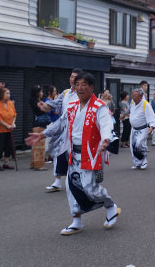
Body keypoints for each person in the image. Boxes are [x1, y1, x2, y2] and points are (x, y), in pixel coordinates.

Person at [26, 72, 119, 235]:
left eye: (84, 84)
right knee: (71, 187)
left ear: (91, 87)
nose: (80, 88)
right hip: (73, 154)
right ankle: (76, 220)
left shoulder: (99, 106)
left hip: (91, 154)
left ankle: (110, 206)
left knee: (91, 188)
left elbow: (106, 124)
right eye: (77, 84)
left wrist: (105, 138)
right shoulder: (72, 106)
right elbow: (60, 123)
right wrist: (42, 135)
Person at [38, 68, 81, 192]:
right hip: (64, 129)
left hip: (77, 130)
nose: (72, 79)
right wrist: (44, 106)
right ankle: (57, 181)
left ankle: (78, 181)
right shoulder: (66, 92)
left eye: (75, 77)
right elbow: (54, 104)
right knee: (59, 154)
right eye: (71, 76)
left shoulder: (82, 94)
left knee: (75, 156)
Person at [128, 88, 155, 170]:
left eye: (135, 96)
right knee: (133, 146)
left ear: (141, 97)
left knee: (139, 144)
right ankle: (137, 162)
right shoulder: (132, 102)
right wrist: (124, 115)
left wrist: (151, 127)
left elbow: (151, 116)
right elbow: (130, 111)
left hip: (143, 129)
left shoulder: (146, 104)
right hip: (134, 129)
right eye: (133, 95)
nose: (133, 97)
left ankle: (144, 159)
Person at [0, 87, 16, 171]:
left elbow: (14, 115)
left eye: (9, 93)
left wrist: (13, 123)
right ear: (2, 95)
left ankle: (6, 163)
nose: (9, 95)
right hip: (0, 129)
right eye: (7, 93)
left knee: (8, 146)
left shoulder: (10, 103)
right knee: (0, 146)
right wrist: (6, 125)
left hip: (10, 129)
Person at [29, 85, 49, 171]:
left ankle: (34, 163)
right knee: (40, 145)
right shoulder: (37, 102)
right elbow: (46, 109)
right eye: (41, 91)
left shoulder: (32, 100)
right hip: (40, 124)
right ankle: (39, 165)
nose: (42, 93)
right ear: (38, 93)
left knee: (35, 145)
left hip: (35, 123)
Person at [43, 85, 59, 163]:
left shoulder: (53, 101)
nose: (56, 93)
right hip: (50, 123)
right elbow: (56, 112)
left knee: (54, 140)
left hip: (55, 123)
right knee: (48, 141)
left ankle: (50, 156)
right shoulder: (48, 101)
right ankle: (45, 157)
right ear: (50, 92)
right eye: (54, 91)